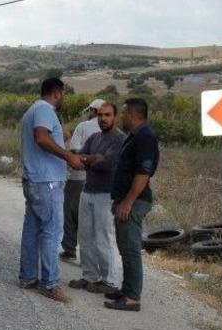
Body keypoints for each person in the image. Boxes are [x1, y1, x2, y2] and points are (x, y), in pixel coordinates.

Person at [18, 78, 84, 303]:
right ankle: (50, 283)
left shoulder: (33, 110)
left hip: (35, 180)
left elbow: (49, 137)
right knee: (52, 232)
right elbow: (42, 138)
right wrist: (69, 156)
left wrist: (63, 137)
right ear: (57, 93)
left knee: (33, 230)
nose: (63, 97)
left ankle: (28, 277)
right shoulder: (45, 109)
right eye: (63, 94)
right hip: (47, 182)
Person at [105, 98, 159, 312]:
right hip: (125, 199)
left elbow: (143, 172)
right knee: (124, 246)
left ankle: (132, 297)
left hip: (135, 201)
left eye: (125, 113)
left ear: (134, 114)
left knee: (130, 248)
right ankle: (126, 290)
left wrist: (128, 202)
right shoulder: (134, 136)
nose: (122, 117)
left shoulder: (145, 137)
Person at [68, 102, 125, 294]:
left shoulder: (119, 140)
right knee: (85, 236)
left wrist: (88, 160)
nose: (103, 118)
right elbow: (79, 159)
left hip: (106, 194)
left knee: (103, 238)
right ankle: (90, 276)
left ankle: (109, 281)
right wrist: (92, 159)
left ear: (115, 117)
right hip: (88, 190)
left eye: (107, 115)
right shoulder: (93, 137)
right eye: (100, 115)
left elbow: (107, 163)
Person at [60, 99, 106, 260]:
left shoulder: (83, 126)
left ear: (93, 111)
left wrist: (87, 158)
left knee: (70, 212)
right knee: (92, 218)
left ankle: (69, 249)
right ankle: (90, 256)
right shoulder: (111, 131)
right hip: (99, 180)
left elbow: (73, 148)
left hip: (78, 177)